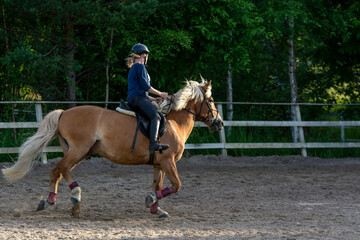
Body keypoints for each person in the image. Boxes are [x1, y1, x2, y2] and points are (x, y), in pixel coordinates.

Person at [125, 43, 169, 154]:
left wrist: (152, 99)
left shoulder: (134, 67)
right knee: (156, 117)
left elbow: (139, 89)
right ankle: (153, 144)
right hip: (138, 99)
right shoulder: (140, 66)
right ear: (144, 55)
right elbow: (145, 86)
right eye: (146, 55)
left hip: (135, 98)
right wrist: (161, 94)